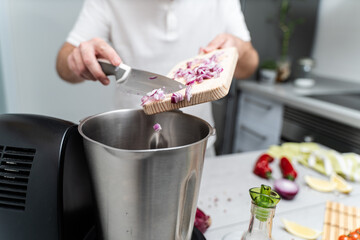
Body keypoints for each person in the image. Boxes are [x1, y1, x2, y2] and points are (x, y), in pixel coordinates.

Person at [56, 0, 259, 156]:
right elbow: (63, 66)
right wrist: (78, 58)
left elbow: (249, 66)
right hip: (129, 151)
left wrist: (237, 48)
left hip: (199, 150)